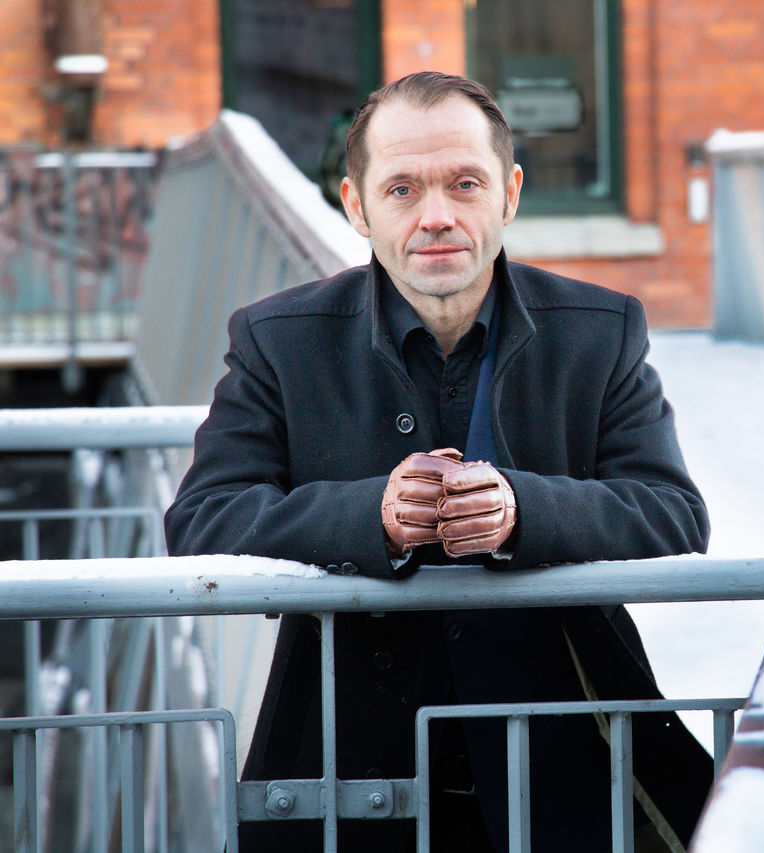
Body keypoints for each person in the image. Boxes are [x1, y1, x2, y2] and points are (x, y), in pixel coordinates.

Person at [164, 71, 712, 852]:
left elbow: (673, 512)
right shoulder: (274, 339)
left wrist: (523, 510)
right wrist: (370, 518)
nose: (437, 217)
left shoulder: (603, 329)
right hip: (343, 775)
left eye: (464, 183)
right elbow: (201, 520)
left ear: (509, 194)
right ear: (355, 206)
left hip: (567, 773)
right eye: (401, 190)